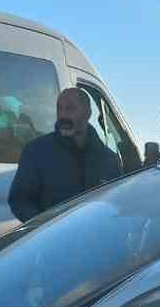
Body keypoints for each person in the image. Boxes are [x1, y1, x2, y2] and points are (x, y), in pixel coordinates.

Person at [7, 87, 120, 223]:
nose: (63, 115)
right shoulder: (37, 151)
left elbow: (115, 206)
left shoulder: (109, 160)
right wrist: (44, 227)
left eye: (70, 109)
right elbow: (20, 200)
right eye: (59, 109)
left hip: (95, 240)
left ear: (87, 113)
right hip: (54, 241)